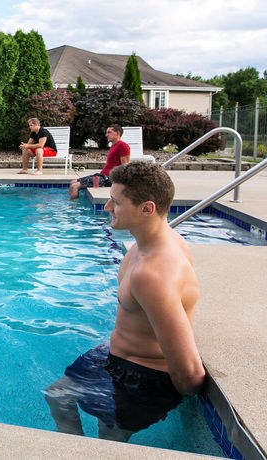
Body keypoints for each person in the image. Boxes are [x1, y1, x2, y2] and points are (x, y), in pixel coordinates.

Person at [45, 162, 206, 442]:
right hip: (116, 358)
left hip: (142, 377)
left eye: (116, 202)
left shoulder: (153, 273)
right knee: (58, 395)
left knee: (109, 439)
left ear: (147, 208)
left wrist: (164, 397)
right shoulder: (146, 246)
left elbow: (190, 373)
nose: (107, 207)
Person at [69, 125, 131, 200]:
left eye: (109, 132)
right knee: (73, 182)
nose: (106, 135)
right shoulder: (114, 146)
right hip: (101, 176)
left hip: (108, 179)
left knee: (75, 186)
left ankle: (72, 208)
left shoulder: (123, 146)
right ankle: (73, 202)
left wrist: (122, 184)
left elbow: (125, 166)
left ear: (117, 133)